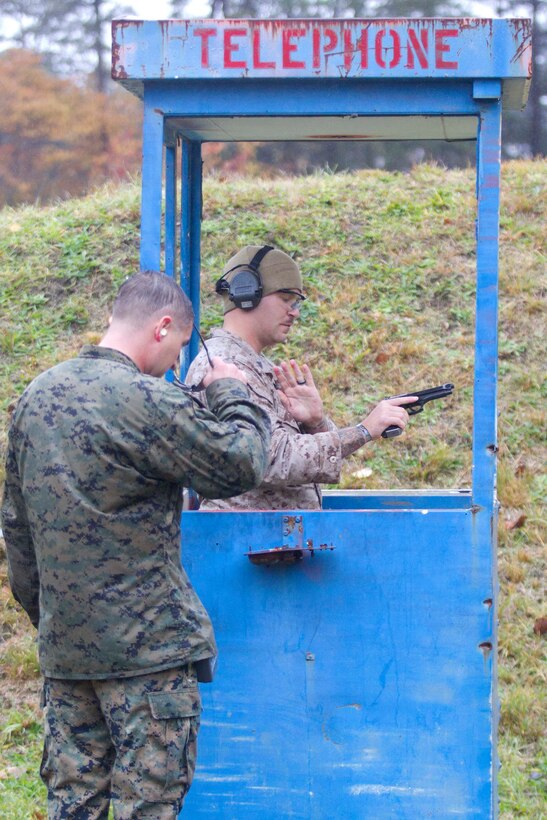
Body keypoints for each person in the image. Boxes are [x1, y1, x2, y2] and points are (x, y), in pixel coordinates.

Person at [0, 271, 270, 818]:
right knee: (147, 806)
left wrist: (56, 618)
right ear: (162, 326)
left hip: (67, 656)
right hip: (148, 659)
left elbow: (18, 534)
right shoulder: (145, 400)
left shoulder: (34, 398)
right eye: (176, 349)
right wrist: (228, 391)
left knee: (74, 805)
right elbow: (243, 461)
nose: (175, 364)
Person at [186, 245, 416, 511]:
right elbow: (269, 459)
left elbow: (302, 460)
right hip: (246, 544)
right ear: (246, 292)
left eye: (296, 302)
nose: (295, 311)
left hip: (268, 544)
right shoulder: (224, 367)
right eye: (286, 298)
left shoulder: (253, 364)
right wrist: (363, 431)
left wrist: (315, 422)